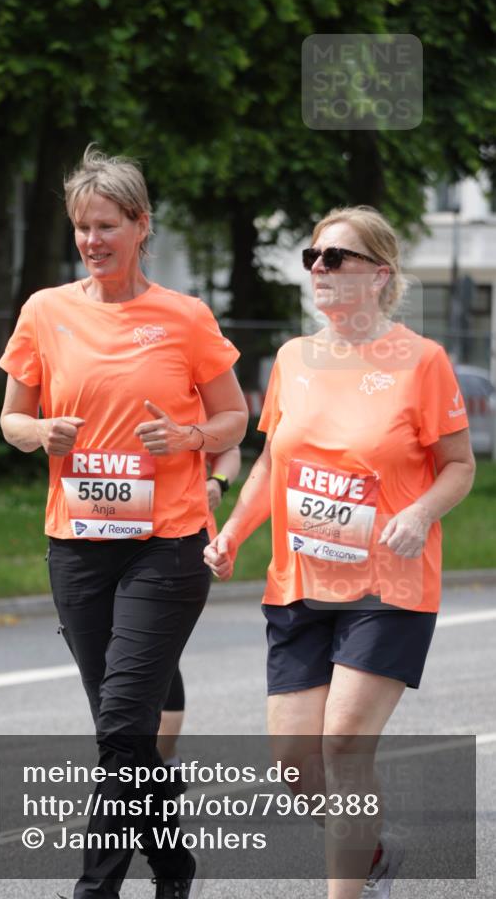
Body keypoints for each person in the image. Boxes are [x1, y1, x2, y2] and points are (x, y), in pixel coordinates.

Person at [204, 206, 475, 899]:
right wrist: (233, 532)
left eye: (335, 258)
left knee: (344, 743)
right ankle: (372, 853)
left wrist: (418, 511)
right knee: (296, 766)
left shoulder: (421, 361)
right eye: (312, 257)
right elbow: (270, 464)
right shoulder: (294, 359)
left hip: (387, 586)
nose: (318, 270)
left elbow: (457, 465)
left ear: (379, 275)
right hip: (299, 583)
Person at [0, 146, 248, 899]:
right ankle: (173, 867)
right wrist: (40, 434)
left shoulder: (184, 316)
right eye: (81, 228)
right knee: (125, 736)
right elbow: (11, 416)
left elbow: (236, 416)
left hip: (166, 546)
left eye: (106, 225)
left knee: (119, 727)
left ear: (141, 226)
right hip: (76, 547)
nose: (91, 241)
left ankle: (94, 890)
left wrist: (192, 439)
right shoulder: (45, 310)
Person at [157, 446, 242, 766]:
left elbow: (228, 448)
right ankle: (135, 765)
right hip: (94, 543)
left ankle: (160, 763)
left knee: (157, 654)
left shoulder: (195, 395)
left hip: (176, 539)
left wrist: (217, 482)